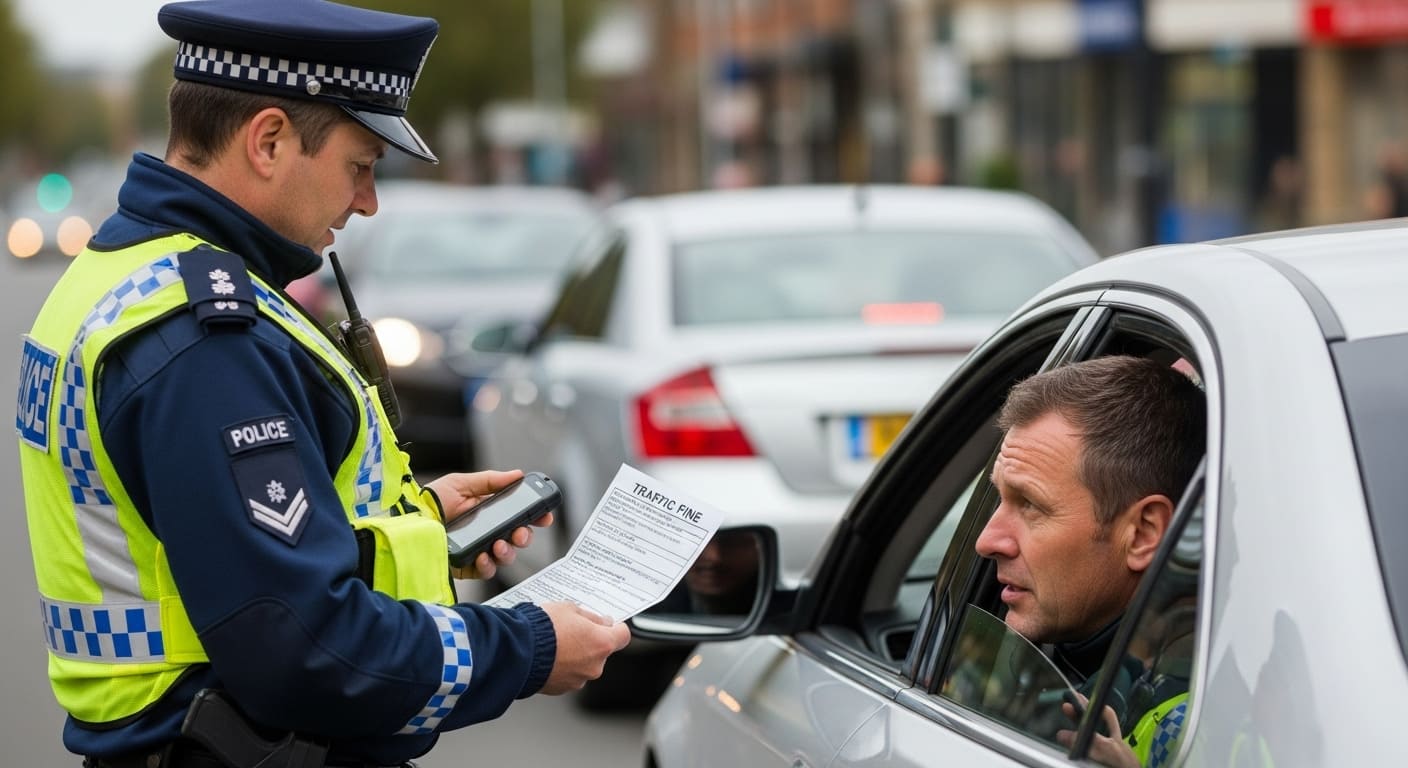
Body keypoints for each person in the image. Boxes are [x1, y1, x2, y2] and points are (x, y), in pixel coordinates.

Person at [15, 2, 630, 766]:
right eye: (360, 165)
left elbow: (220, 553)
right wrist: (531, 648)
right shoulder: (205, 339)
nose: (368, 200)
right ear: (269, 139)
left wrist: (424, 529)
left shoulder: (126, 276)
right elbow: (303, 646)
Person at [974, 355, 1206, 767]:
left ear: (1142, 533)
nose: (987, 540)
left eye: (1029, 504)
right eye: (1000, 498)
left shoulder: (1202, 724)